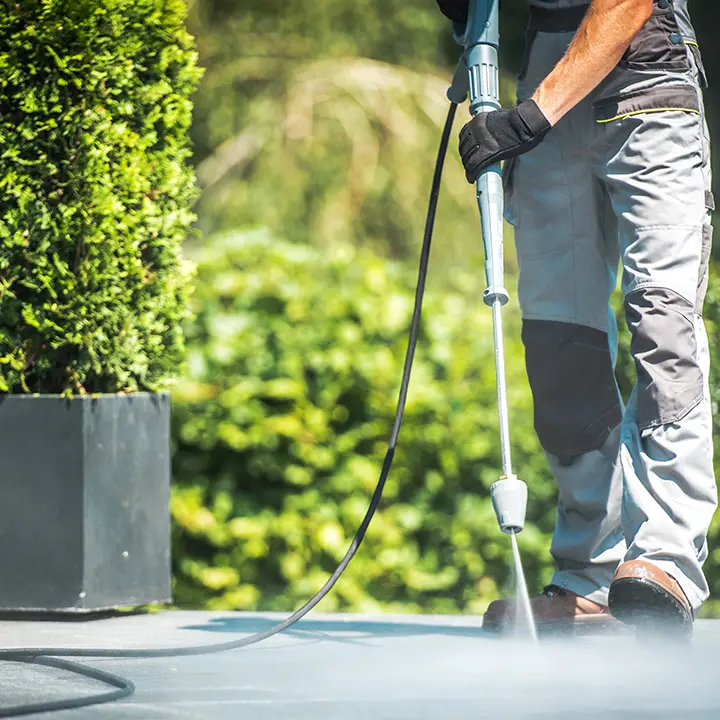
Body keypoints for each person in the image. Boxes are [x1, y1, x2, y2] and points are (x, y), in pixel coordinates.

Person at [436, 0, 715, 635]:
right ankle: (591, 574)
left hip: (647, 77)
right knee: (559, 341)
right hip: (547, 72)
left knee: (662, 327)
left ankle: (665, 559)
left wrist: (530, 118)